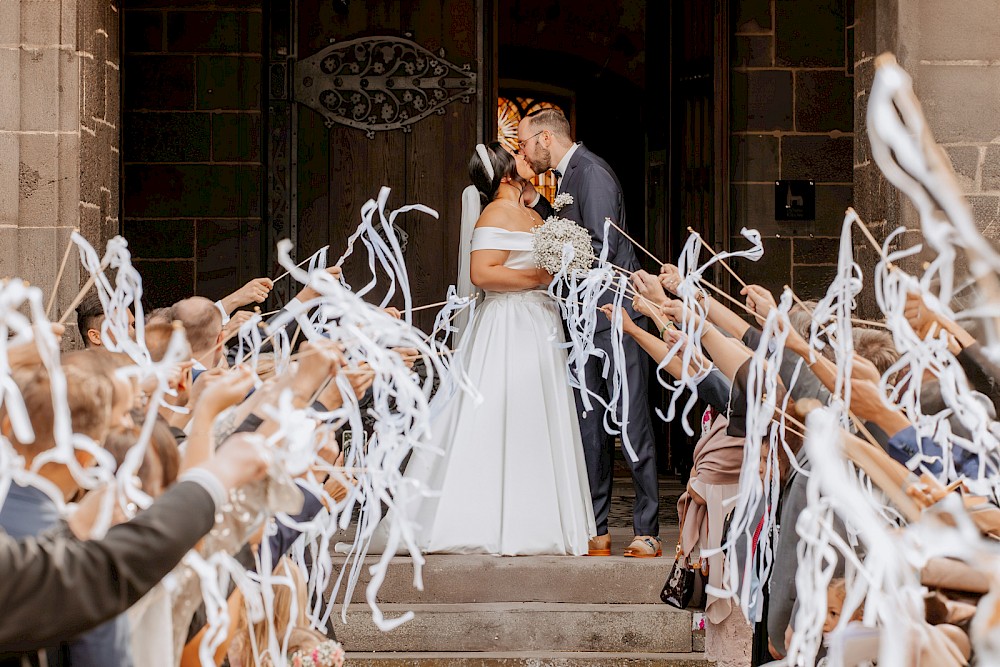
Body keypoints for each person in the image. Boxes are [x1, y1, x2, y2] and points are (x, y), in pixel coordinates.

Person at [371, 142, 596, 556]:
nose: (526, 157)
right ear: (505, 172)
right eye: (517, 155)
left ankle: (538, 518)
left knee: (536, 414)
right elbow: (482, 273)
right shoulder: (496, 212)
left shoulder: (531, 212)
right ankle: (480, 517)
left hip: (539, 321)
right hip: (509, 323)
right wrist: (539, 279)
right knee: (501, 411)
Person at [517, 108, 660, 557]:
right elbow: (572, 235)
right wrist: (540, 207)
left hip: (613, 314)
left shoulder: (592, 173)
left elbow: (599, 250)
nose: (523, 153)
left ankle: (647, 529)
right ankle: (597, 525)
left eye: (523, 144)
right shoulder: (563, 179)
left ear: (544, 139)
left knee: (630, 417)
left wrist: (550, 272)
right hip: (583, 320)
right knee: (589, 425)